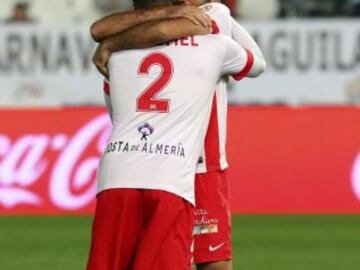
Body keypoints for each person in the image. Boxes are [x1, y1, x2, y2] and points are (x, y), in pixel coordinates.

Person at [87, 0, 265, 269]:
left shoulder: (118, 52)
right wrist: (220, 14)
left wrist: (111, 44)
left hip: (129, 168)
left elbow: (100, 31)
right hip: (187, 166)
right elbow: (257, 63)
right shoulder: (213, 34)